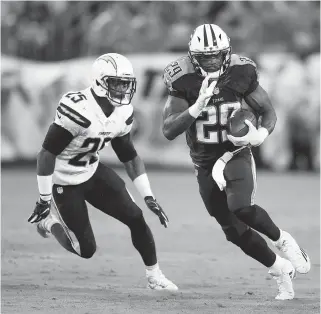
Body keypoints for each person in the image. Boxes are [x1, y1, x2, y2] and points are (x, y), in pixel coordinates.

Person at [162, 24, 310, 300]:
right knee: (232, 230)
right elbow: (169, 130)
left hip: (235, 152)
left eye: (216, 55)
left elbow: (267, 111)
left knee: (240, 206)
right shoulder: (182, 78)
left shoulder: (242, 71)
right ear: (193, 57)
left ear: (226, 53)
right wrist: (196, 106)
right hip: (204, 161)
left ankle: (283, 241)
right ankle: (280, 270)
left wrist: (260, 135)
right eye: (205, 57)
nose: (211, 61)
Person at [27, 53, 178, 291]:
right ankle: (49, 222)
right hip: (64, 181)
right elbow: (46, 154)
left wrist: (148, 195)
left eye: (125, 83)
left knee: (136, 218)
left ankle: (154, 275)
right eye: (116, 82)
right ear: (99, 81)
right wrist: (44, 199)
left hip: (92, 171)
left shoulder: (123, 112)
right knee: (85, 250)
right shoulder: (79, 109)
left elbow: (128, 155)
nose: (122, 88)